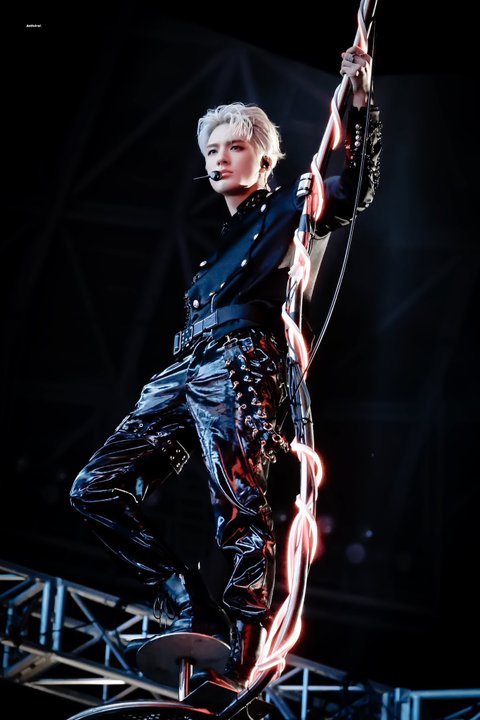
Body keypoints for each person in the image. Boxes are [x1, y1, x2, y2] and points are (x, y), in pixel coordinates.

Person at [70, 44, 382, 692]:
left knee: (238, 505)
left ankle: (243, 640)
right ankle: (187, 599)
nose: (218, 159)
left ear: (263, 159)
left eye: (234, 148)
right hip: (185, 365)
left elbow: (351, 189)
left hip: (241, 360)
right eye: (212, 151)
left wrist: (357, 103)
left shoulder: (289, 206)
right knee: (94, 488)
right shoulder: (212, 257)